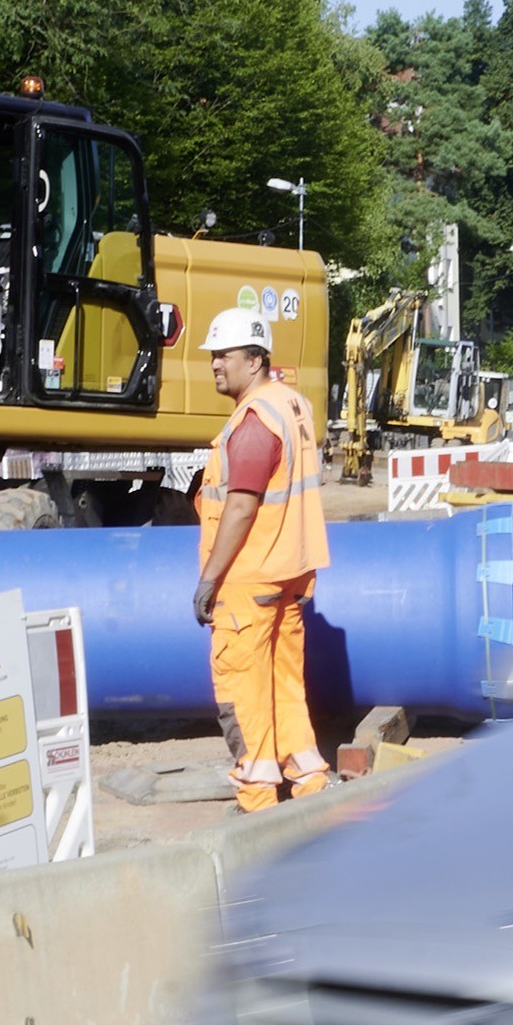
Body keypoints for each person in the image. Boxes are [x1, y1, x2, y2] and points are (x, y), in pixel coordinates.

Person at [192, 308, 332, 812]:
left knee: (242, 691)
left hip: (248, 581)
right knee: (284, 683)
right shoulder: (292, 404)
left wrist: (209, 579)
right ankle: (309, 781)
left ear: (254, 361)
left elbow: (242, 505)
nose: (214, 365)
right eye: (213, 356)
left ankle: (257, 799)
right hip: (288, 572)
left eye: (223, 355)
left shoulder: (254, 421)